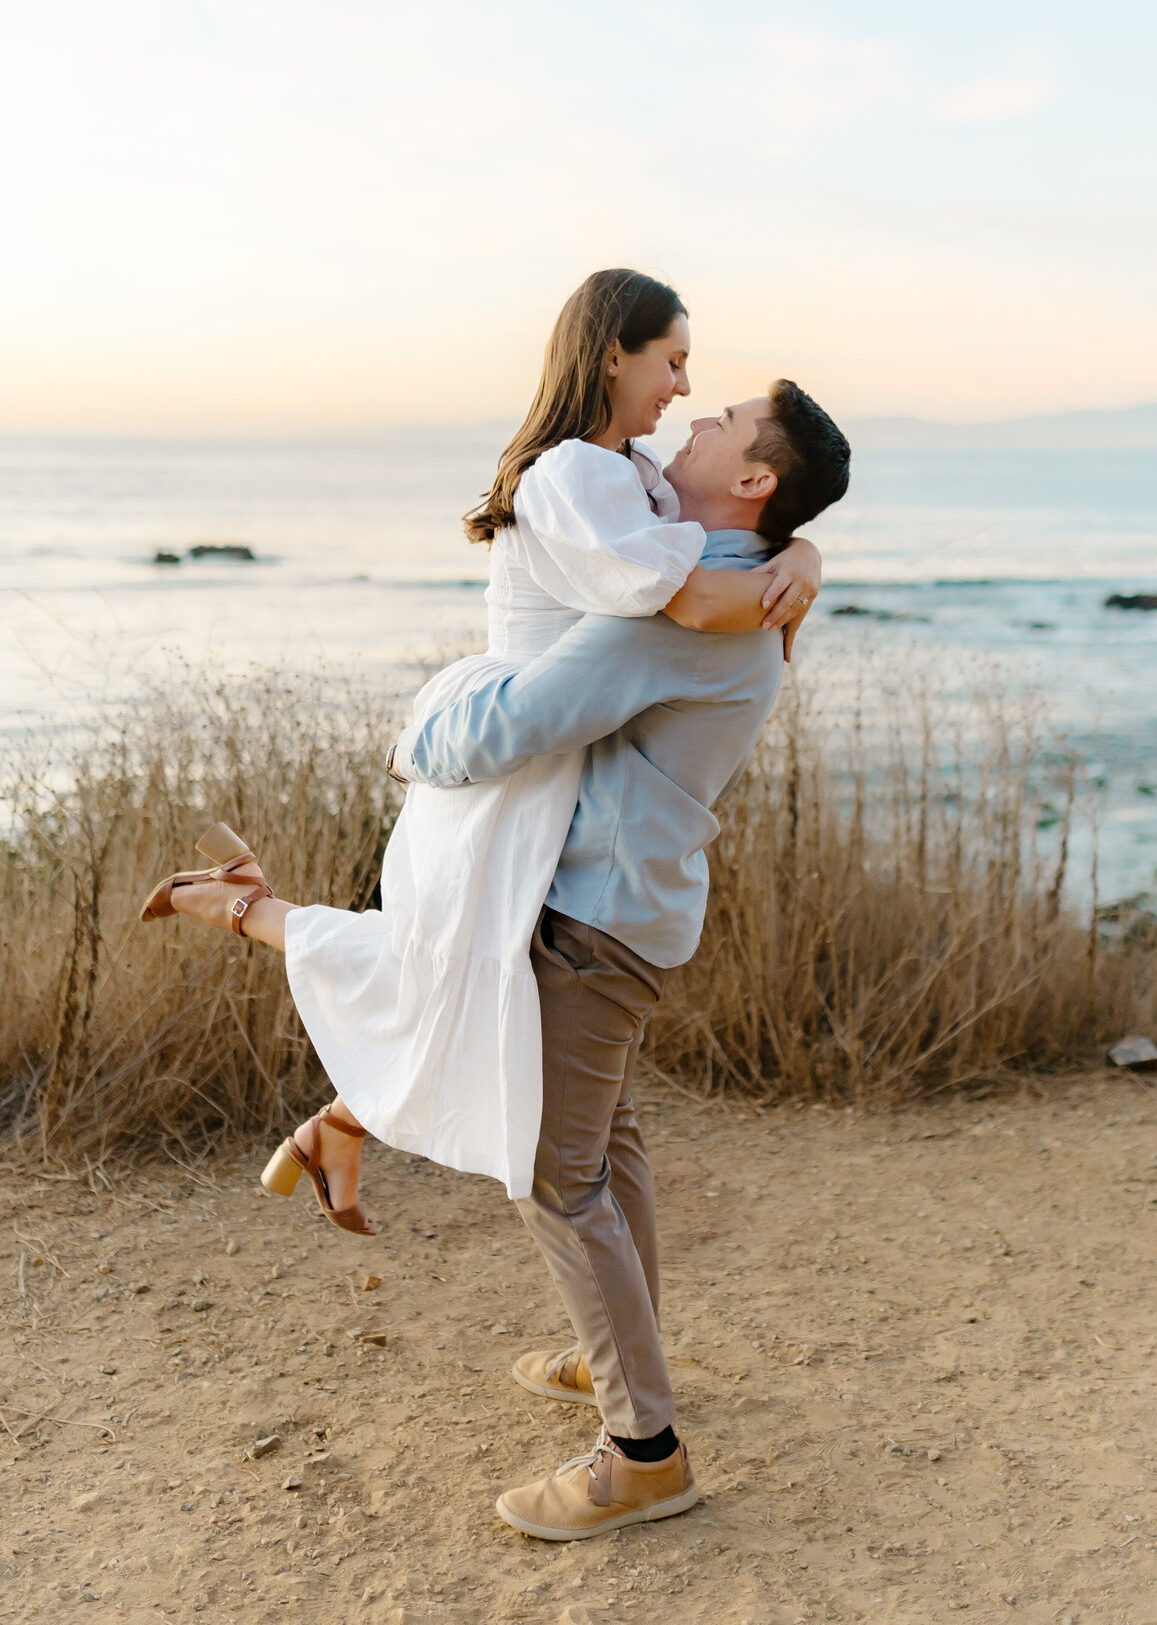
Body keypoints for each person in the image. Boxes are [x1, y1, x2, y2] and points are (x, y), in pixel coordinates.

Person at [138, 270, 822, 1232]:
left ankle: (324, 1092)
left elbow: (718, 534)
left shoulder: (625, 473)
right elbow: (686, 597)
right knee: (444, 967)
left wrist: (801, 551)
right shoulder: (580, 472)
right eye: (672, 364)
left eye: (696, 381)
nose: (683, 397)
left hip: (541, 752)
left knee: (454, 971)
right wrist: (790, 570)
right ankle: (248, 919)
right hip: (506, 742)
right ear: (610, 353)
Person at [388, 378, 851, 1540]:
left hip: (595, 919)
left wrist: (410, 736)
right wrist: (813, 559)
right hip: (632, 908)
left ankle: (643, 1452)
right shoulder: (729, 589)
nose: (693, 418)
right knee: (609, 1142)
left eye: (723, 423)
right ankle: (621, 1373)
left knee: (560, 1176)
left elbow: (510, 724)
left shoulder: (674, 610)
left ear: (753, 481)